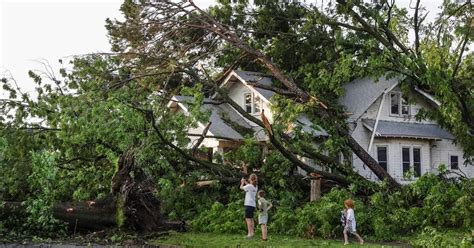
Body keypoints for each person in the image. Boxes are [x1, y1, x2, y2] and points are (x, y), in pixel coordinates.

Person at [240, 173, 258, 239]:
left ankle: (249, 234)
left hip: (248, 204)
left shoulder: (250, 186)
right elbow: (249, 186)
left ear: (250, 179)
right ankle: (252, 233)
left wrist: (242, 182)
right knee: (251, 219)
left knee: (248, 219)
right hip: (252, 205)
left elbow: (241, 187)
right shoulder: (255, 186)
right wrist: (245, 181)